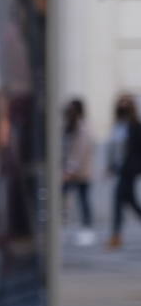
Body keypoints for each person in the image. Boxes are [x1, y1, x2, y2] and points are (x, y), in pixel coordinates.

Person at [107, 94, 141, 249]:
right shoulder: (117, 125)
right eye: (121, 104)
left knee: (118, 200)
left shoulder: (135, 126)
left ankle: (116, 236)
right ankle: (116, 236)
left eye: (126, 104)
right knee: (130, 202)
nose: (123, 107)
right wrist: (110, 165)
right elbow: (113, 147)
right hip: (120, 168)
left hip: (130, 170)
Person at [62, 98, 95, 241]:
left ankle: (87, 228)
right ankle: (63, 224)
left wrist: (70, 170)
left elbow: (79, 151)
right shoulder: (68, 127)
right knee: (63, 198)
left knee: (83, 200)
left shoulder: (83, 128)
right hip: (70, 171)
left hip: (80, 172)